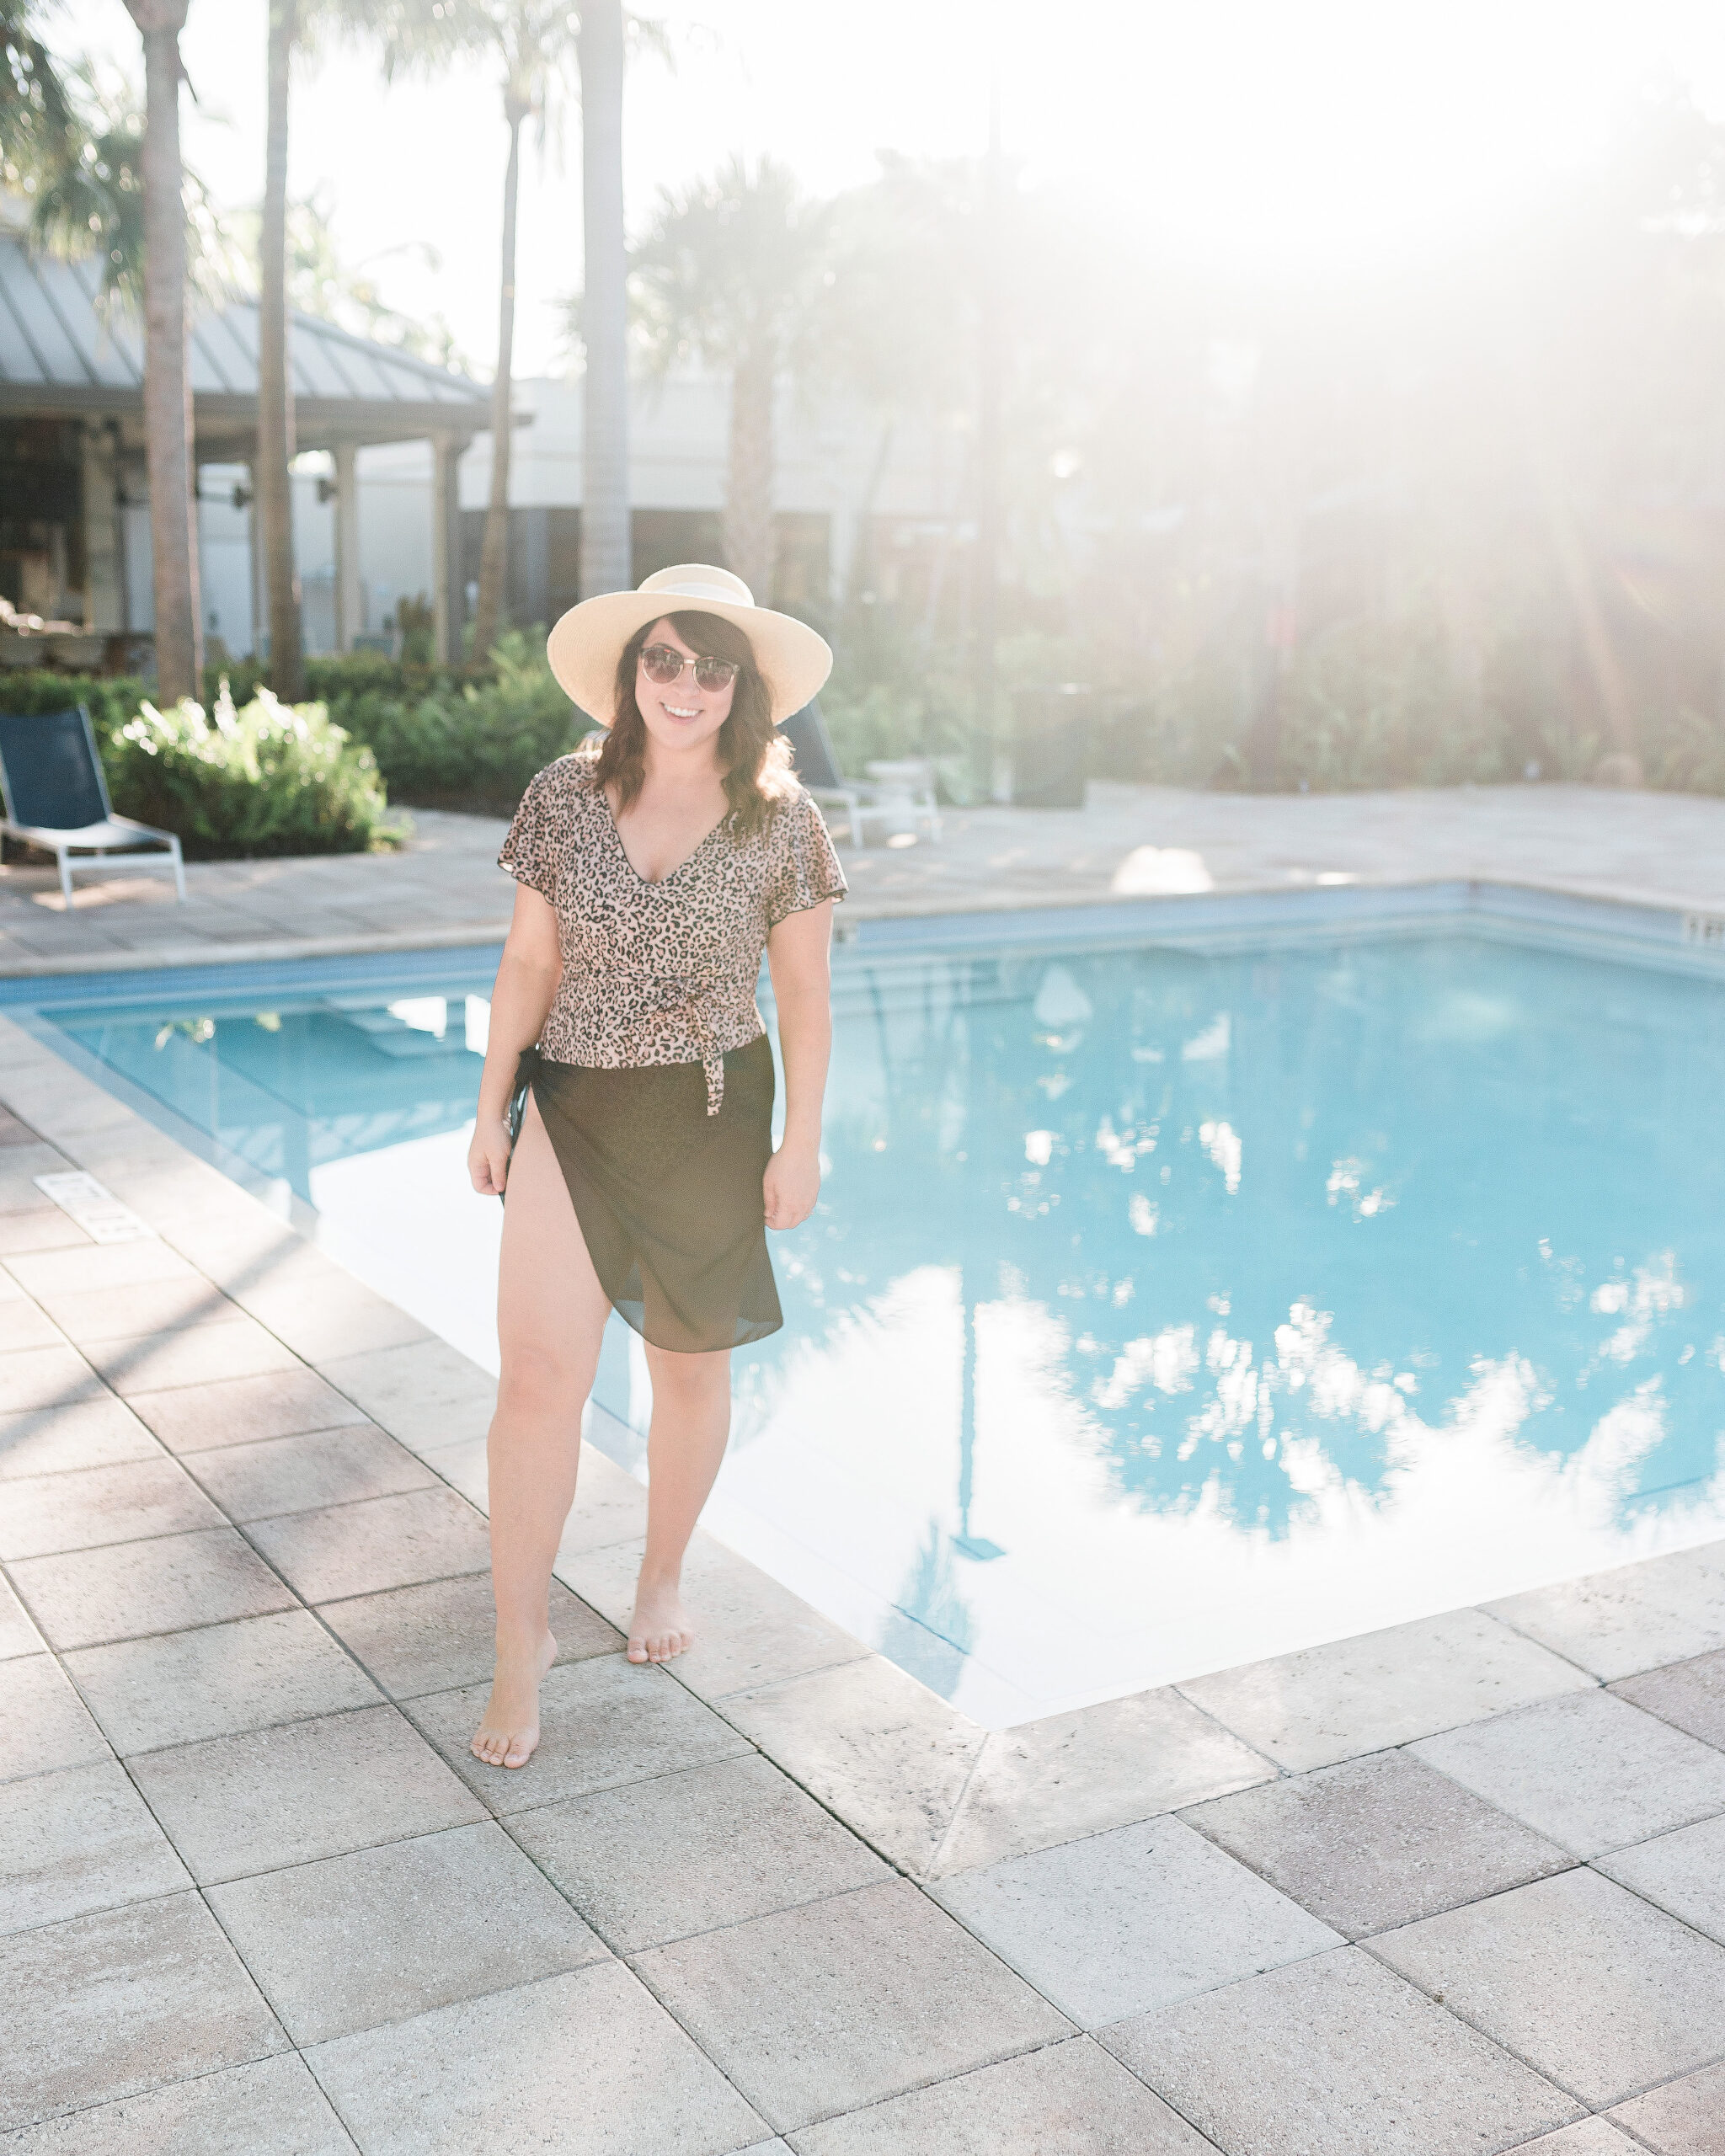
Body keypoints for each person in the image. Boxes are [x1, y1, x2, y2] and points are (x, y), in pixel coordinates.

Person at [465, 565, 846, 1769]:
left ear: (746, 689)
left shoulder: (783, 823)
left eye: (711, 667)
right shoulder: (563, 797)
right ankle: (519, 1641)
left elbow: (805, 996)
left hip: (709, 1117)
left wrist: (802, 1145)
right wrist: (490, 1109)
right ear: (633, 674)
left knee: (687, 1378)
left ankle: (663, 1573)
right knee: (537, 1381)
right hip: (571, 1110)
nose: (685, 686)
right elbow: (529, 964)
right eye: (664, 661)